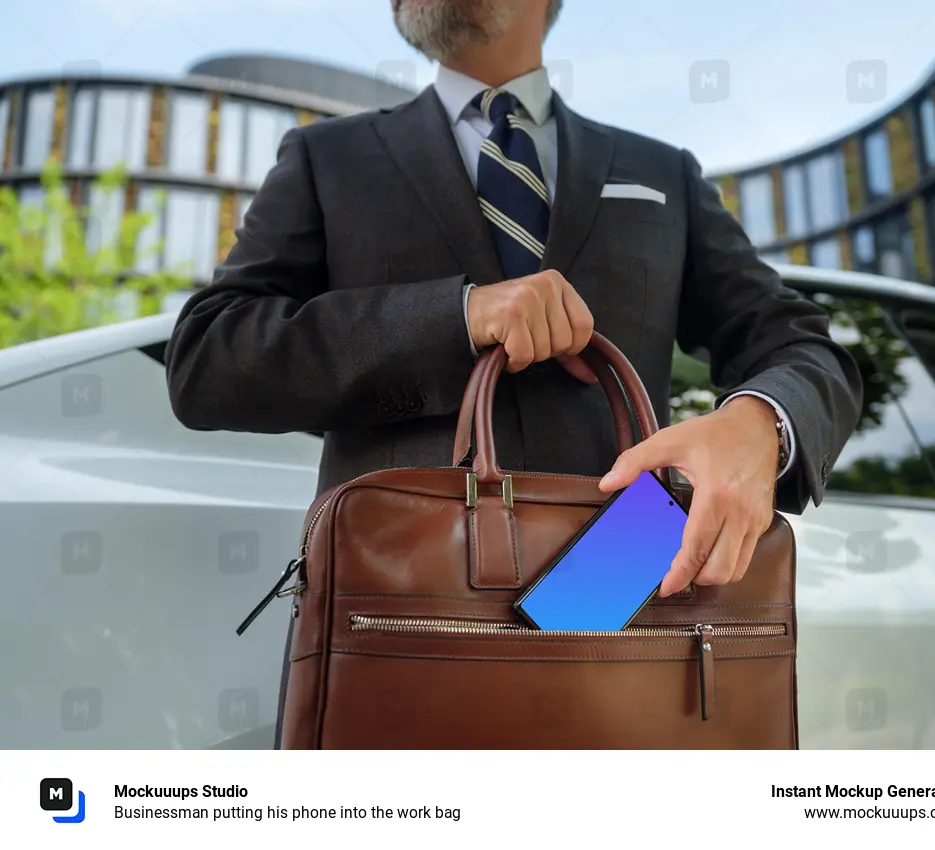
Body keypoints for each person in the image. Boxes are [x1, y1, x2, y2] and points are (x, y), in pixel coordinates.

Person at [165, 0, 862, 599]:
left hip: (628, 568)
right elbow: (207, 359)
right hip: (400, 591)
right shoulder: (330, 158)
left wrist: (759, 426)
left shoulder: (661, 173)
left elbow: (800, 348)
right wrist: (456, 317)